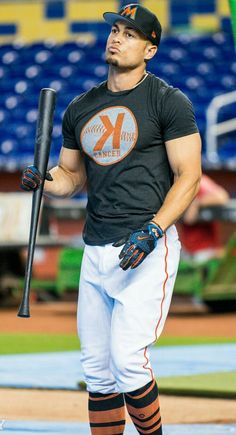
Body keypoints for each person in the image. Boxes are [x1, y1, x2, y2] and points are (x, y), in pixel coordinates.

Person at [21, 4, 202, 434]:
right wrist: (44, 178)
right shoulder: (81, 107)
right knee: (98, 371)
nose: (116, 38)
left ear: (150, 49)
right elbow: (72, 176)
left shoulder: (168, 101)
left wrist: (153, 230)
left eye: (130, 34)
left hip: (145, 247)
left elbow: (189, 176)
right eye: (115, 30)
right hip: (95, 248)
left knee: (128, 361)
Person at [180, 174, 230, 263]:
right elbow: (188, 219)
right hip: (185, 250)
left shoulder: (198, 180)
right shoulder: (178, 181)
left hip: (206, 251)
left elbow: (222, 196)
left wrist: (197, 203)